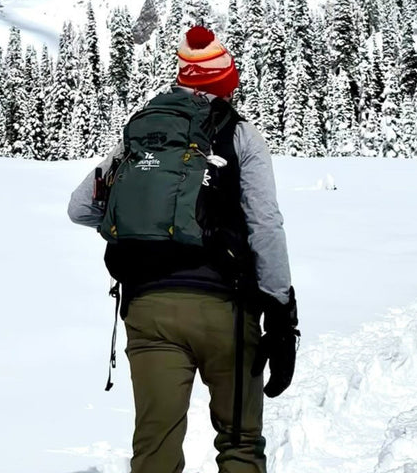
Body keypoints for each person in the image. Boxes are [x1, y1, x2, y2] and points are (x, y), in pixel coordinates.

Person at [67, 25, 298, 473]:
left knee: (155, 451)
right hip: (226, 312)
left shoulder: (142, 131)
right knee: (240, 444)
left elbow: (81, 208)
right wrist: (282, 313)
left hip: (148, 309)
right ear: (226, 84)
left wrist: (144, 230)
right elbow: (264, 225)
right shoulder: (240, 135)